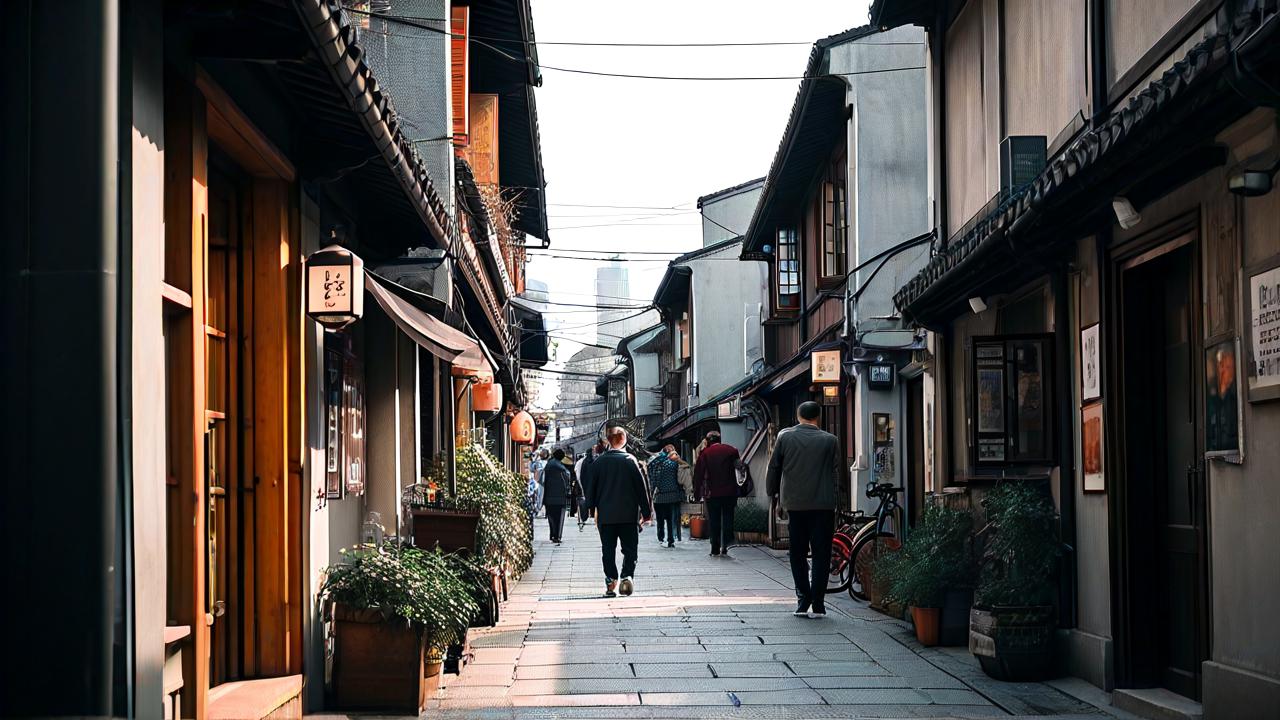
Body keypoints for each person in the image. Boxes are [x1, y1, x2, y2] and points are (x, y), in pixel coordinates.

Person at [766, 401, 840, 619]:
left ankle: (802, 598)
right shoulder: (830, 440)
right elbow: (836, 474)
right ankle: (818, 603)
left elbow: (774, 467)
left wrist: (773, 495)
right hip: (823, 505)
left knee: (797, 553)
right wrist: (839, 502)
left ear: (798, 416)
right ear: (818, 417)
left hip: (795, 505)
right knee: (821, 554)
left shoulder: (785, 437)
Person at [586, 426, 651, 597]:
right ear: (624, 440)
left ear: (608, 440)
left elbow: (590, 489)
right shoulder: (630, 461)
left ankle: (610, 580)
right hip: (629, 516)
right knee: (630, 549)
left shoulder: (598, 462)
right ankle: (626, 576)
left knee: (608, 549)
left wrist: (589, 510)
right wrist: (647, 513)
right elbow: (641, 489)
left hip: (606, 516)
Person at [694, 431, 741, 557]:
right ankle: (726, 544)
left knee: (714, 520)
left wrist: (697, 493)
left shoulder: (705, 454)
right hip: (730, 491)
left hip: (712, 492)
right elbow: (739, 467)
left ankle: (715, 547)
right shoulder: (731, 450)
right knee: (728, 517)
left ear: (708, 441)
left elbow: (698, 474)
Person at [648, 445, 684, 548]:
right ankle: (671, 539)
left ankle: (661, 538)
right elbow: (679, 478)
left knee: (660, 520)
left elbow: (653, 481)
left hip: (659, 497)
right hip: (673, 496)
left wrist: (651, 492)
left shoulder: (656, 464)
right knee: (671, 519)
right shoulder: (675, 464)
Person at [542, 448, 571, 544]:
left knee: (551, 517)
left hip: (548, 497)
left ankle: (552, 535)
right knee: (559, 518)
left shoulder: (548, 465)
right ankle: (557, 536)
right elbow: (567, 479)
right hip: (560, 497)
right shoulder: (561, 468)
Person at [530, 448, 549, 518]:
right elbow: (532, 469)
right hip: (543, 481)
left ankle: (539, 510)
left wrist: (533, 461)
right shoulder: (545, 462)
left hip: (541, 481)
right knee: (541, 496)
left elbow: (532, 469)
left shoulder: (539, 462)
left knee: (540, 496)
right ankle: (541, 511)